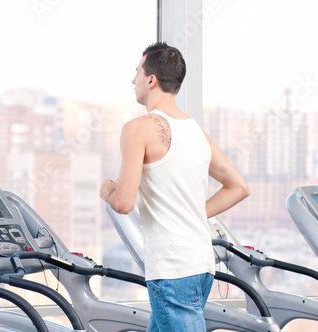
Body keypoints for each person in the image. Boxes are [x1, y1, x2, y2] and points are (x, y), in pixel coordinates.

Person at [99, 42, 250, 331]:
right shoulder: (196, 131)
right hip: (200, 265)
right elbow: (239, 186)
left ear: (151, 80)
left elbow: (123, 203)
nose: (133, 80)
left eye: (137, 73)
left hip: (173, 269)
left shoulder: (138, 128)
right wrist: (189, 213)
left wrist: (106, 189)